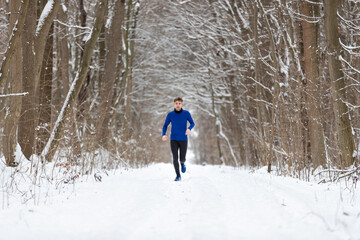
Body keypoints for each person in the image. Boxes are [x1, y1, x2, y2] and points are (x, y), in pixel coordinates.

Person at [162, 97, 195, 181]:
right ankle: (178, 175)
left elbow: (192, 123)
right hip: (174, 139)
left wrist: (189, 129)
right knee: (175, 158)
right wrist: (164, 134)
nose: (178, 105)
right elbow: (165, 125)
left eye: (179, 103)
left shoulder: (186, 113)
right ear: (174, 104)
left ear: (182, 104)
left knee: (182, 158)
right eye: (176, 103)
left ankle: (183, 163)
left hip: (183, 139)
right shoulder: (170, 114)